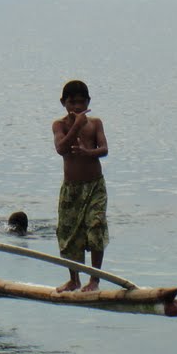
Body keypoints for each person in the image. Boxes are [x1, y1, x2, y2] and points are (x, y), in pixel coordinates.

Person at [52, 79, 109, 292]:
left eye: (81, 102)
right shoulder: (59, 125)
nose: (77, 107)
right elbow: (61, 148)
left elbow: (104, 149)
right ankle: (74, 279)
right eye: (72, 102)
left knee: (95, 228)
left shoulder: (95, 123)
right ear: (63, 103)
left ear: (88, 102)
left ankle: (94, 279)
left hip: (94, 187)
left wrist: (89, 153)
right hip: (71, 189)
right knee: (69, 235)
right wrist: (75, 126)